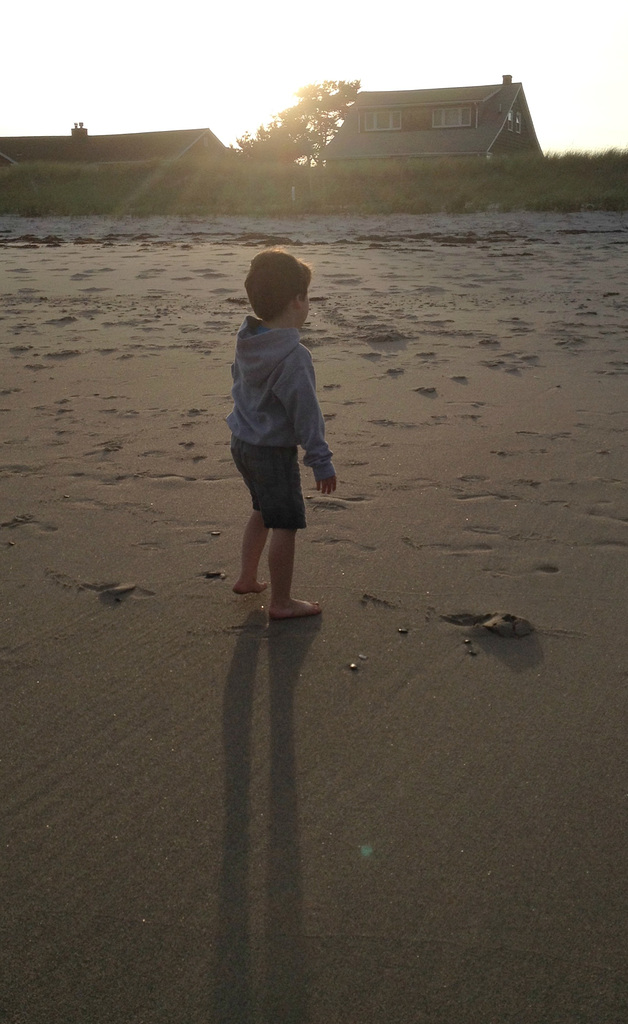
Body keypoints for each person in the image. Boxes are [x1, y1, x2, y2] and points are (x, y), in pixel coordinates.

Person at [227, 248, 336, 619]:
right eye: (307, 296)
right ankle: (281, 601)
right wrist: (320, 460)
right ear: (297, 301)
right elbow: (307, 414)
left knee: (262, 509)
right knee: (285, 523)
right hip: (271, 451)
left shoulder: (248, 338)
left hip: (241, 442)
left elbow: (238, 383)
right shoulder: (293, 356)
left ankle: (246, 577)